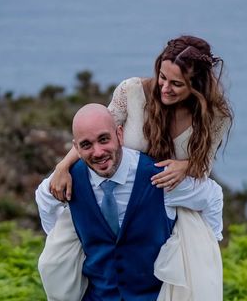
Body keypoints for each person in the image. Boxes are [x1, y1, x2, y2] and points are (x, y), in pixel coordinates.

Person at [43, 35, 232, 300]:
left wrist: (185, 166)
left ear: (197, 84)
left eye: (177, 83)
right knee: (56, 265)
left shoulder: (215, 116)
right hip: (114, 189)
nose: (165, 88)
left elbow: (204, 165)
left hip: (161, 203)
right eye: (162, 77)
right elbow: (101, 134)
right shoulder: (131, 91)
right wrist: (63, 166)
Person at [36, 104, 224, 301]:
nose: (98, 152)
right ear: (76, 148)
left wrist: (207, 249)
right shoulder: (70, 179)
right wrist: (61, 243)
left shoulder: (158, 178)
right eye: (86, 145)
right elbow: (44, 198)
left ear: (119, 134)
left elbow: (212, 196)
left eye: (103, 139)